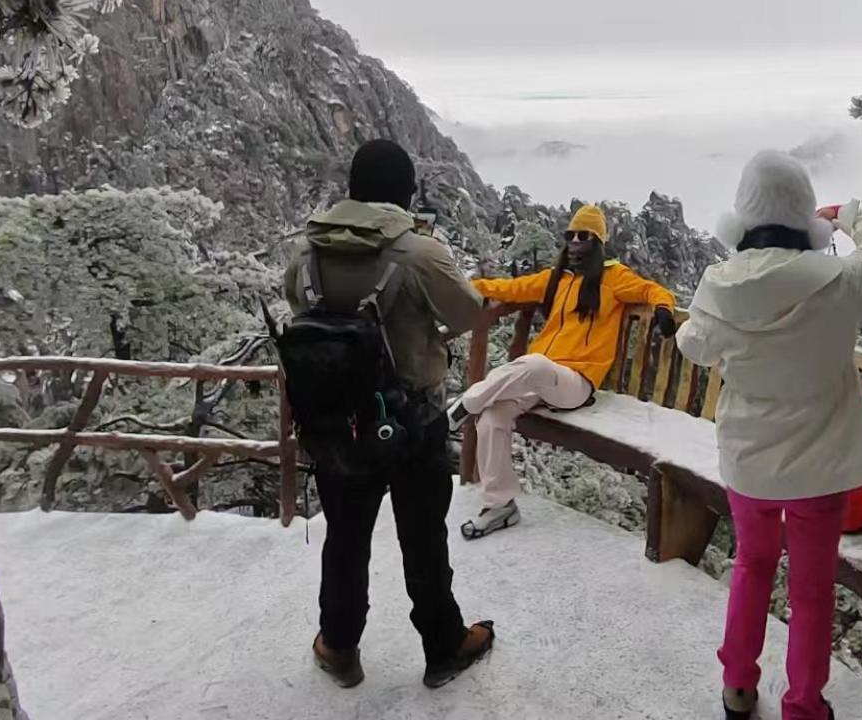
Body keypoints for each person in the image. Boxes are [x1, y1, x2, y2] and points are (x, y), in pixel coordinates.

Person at [676, 151, 862, 720]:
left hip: (750, 463)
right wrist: (847, 214)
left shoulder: (718, 290)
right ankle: (804, 704)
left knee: (752, 567)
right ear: (805, 216)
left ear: (743, 216)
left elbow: (694, 347)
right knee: (811, 593)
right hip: (821, 470)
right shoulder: (843, 282)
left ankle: (737, 685)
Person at [283, 139, 495, 690]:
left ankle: (338, 646)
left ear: (353, 190)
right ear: (406, 193)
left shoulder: (305, 252)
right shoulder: (419, 253)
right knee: (423, 538)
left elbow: (299, 312)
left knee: (345, 538)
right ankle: (444, 645)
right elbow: (469, 314)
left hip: (335, 421)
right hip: (412, 422)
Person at [447, 204, 676, 539]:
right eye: (570, 235)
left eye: (584, 236)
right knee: (493, 415)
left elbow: (651, 290)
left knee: (534, 364)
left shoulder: (613, 278)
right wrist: (467, 285)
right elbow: (512, 288)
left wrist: (663, 310)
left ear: (598, 241)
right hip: (540, 380)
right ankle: (500, 505)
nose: (575, 242)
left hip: (576, 384)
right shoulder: (557, 279)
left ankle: (463, 406)